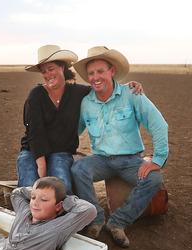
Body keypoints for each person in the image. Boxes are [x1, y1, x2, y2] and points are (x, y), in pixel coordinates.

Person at [71, 46, 169, 248]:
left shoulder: (131, 94)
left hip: (130, 161)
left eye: (100, 71)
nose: (95, 77)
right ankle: (96, 218)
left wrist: (158, 159)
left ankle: (118, 222)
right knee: (78, 169)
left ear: (112, 71)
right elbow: (75, 131)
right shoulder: (85, 103)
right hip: (101, 160)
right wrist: (63, 149)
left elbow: (158, 124)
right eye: (91, 73)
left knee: (154, 179)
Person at [17, 45, 143, 194]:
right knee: (29, 190)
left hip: (61, 151)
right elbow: (35, 132)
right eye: (44, 71)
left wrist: (126, 87)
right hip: (33, 152)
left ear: (62, 67)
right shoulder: (36, 95)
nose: (47, 74)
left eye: (51, 69)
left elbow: (104, 89)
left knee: (62, 190)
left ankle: (67, 215)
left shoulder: (78, 93)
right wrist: (42, 169)